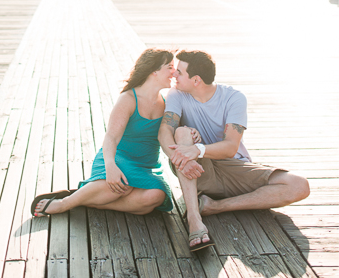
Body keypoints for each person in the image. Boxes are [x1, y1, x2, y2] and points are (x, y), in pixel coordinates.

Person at [159, 50, 310, 253]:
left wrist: (198, 149)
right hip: (197, 171)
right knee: (182, 132)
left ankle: (213, 206)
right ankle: (194, 219)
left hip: (233, 168)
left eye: (179, 72)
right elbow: (165, 130)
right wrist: (180, 157)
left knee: (299, 185)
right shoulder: (177, 94)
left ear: (196, 80)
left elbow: (230, 147)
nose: (174, 75)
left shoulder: (233, 98)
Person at [31, 49, 175, 221]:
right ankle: (66, 203)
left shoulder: (168, 103)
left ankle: (85, 198)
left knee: (155, 197)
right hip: (118, 158)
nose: (174, 72)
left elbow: (172, 135)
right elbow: (111, 138)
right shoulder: (129, 98)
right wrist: (110, 166)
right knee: (124, 184)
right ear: (154, 70)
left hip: (146, 167)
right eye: (170, 67)